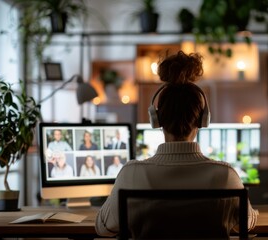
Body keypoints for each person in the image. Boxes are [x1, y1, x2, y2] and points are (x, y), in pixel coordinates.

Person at [95, 51, 258, 238]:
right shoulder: (225, 175)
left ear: (156, 120)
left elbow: (103, 228)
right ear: (203, 120)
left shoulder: (131, 174)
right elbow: (247, 223)